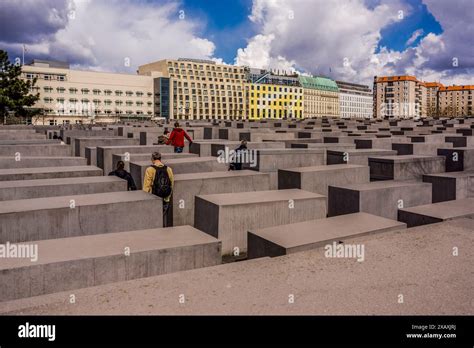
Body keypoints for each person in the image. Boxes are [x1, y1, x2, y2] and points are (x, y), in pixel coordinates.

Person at [143, 152, 174, 227]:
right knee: (163, 218)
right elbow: (171, 184)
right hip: (165, 198)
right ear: (160, 159)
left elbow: (146, 186)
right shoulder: (168, 169)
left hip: (154, 198)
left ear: (152, 159)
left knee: (154, 221)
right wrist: (167, 198)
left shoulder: (150, 169)